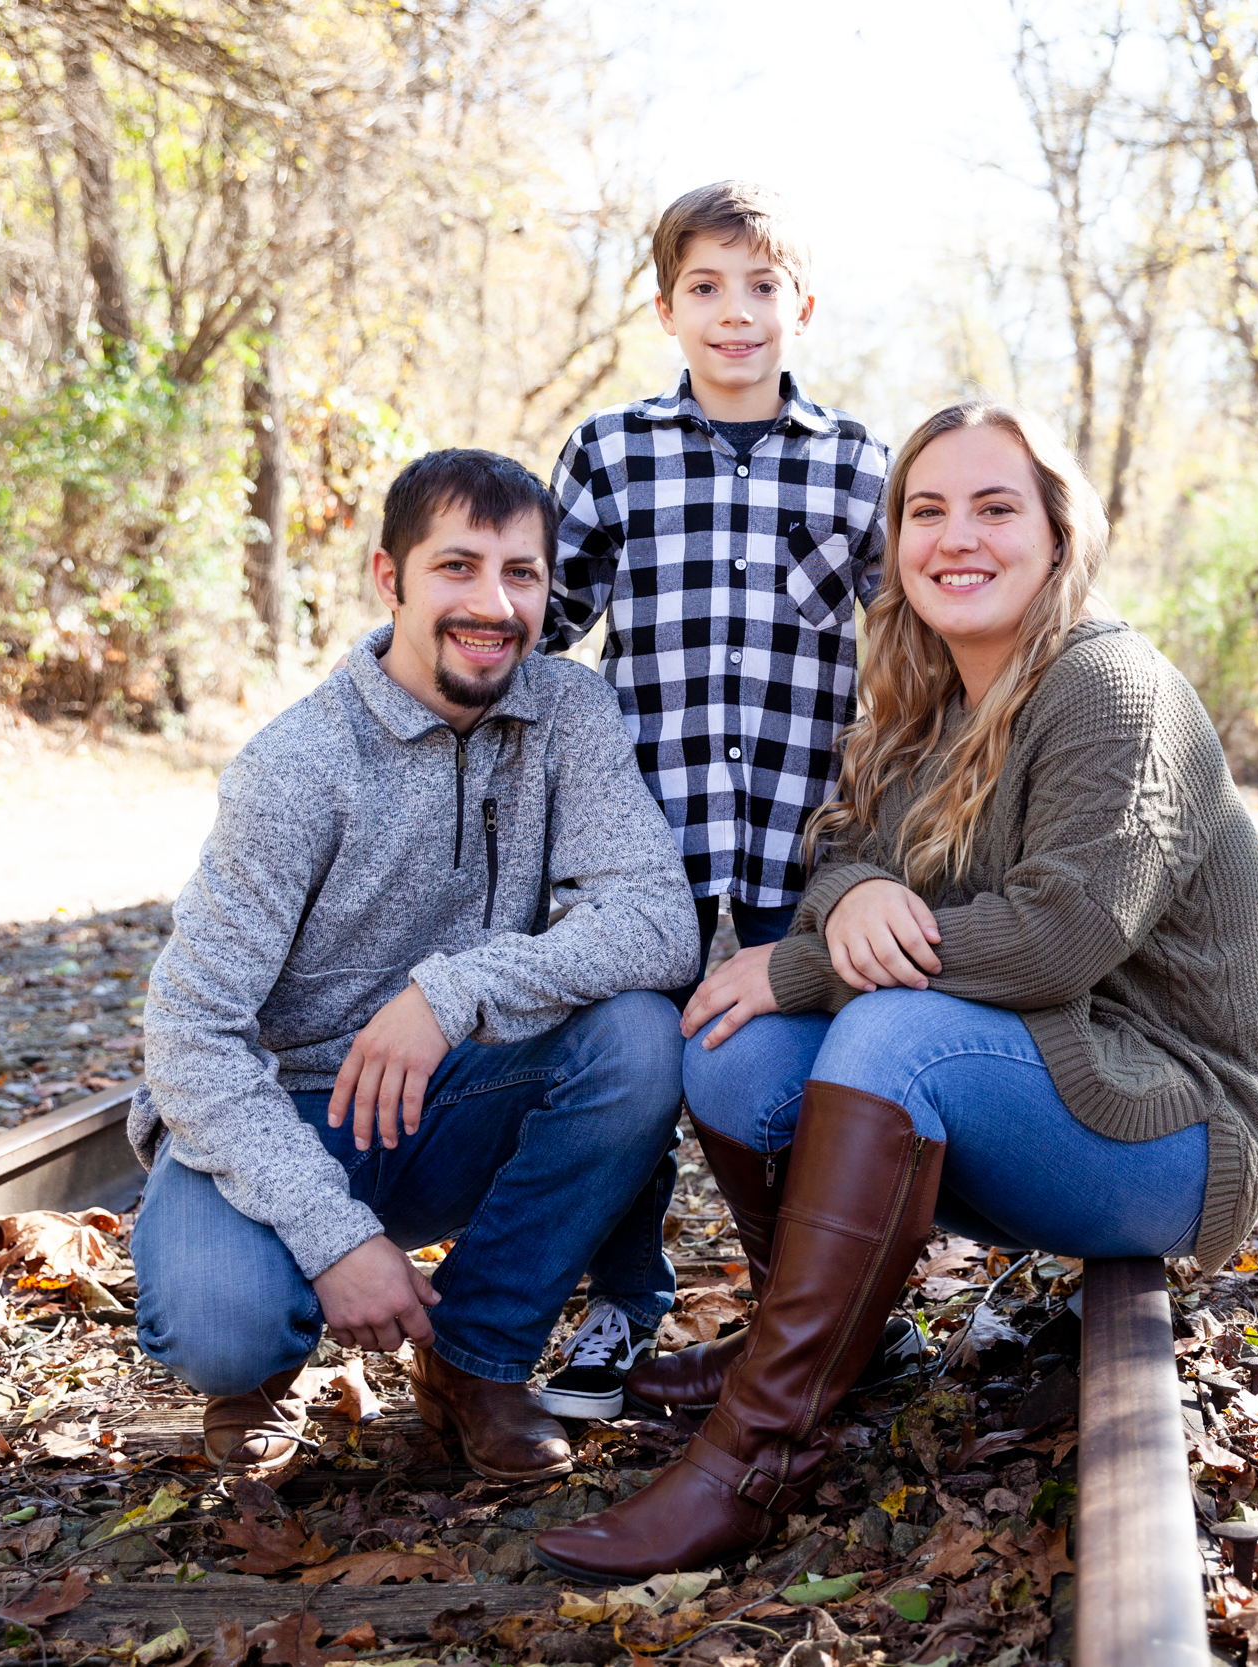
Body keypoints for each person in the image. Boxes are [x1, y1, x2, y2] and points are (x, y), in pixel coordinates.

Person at [534, 402, 1258, 1579]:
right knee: (730, 1044)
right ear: (892, 542)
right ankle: (834, 1340)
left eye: (994, 507)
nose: (955, 537)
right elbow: (841, 848)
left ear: (1057, 532)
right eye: (925, 510)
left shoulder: (1112, 690)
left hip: (1163, 1123)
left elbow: (1056, 940)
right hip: (1034, 1091)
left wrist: (803, 953)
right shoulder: (928, 695)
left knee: (882, 1032)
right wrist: (848, 898)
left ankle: (755, 1456)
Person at [131, 449, 699, 1478]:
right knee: (221, 1323)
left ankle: (474, 1359)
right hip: (293, 1108)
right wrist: (334, 1234)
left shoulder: (566, 715)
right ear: (389, 577)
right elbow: (187, 1031)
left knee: (640, 1038)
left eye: (520, 573)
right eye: (458, 568)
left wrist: (452, 989)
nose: (493, 604)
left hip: (458, 1099)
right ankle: (263, 1360)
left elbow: (658, 922)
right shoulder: (297, 767)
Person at [534, 181, 891, 1418]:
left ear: (801, 305)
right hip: (643, 829)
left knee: (787, 1068)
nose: (733, 314)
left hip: (805, 828)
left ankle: (812, 1308)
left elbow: (914, 642)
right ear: (665, 307)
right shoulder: (611, 453)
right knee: (628, 1060)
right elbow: (540, 625)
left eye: (758, 287)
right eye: (705, 287)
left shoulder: (856, 466)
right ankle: (621, 1304)